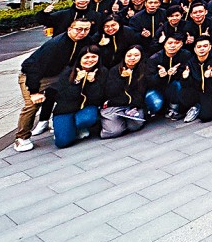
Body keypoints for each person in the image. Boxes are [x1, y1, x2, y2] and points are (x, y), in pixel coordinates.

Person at [15, 17, 92, 151]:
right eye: (79, 29)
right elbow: (34, 67)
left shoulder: (84, 41)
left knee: (74, 91)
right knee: (32, 105)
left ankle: (64, 124)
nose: (82, 32)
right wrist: (34, 91)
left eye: (86, 29)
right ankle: (21, 137)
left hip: (59, 74)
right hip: (34, 76)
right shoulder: (55, 45)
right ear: (70, 29)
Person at [52, 46, 105, 149]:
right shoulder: (68, 72)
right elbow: (64, 96)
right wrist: (76, 82)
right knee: (62, 142)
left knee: (86, 119)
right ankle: (68, 128)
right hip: (66, 109)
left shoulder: (102, 72)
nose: (90, 60)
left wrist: (92, 82)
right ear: (80, 58)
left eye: (94, 57)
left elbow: (97, 99)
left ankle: (80, 126)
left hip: (86, 108)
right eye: (86, 57)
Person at [100, 45, 148, 138]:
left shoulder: (143, 70)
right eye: (129, 55)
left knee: (135, 126)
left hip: (133, 106)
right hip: (115, 105)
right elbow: (110, 92)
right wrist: (122, 78)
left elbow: (142, 92)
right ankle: (116, 122)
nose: (132, 58)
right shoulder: (115, 70)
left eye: (136, 55)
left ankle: (123, 121)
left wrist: (135, 106)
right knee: (113, 131)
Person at [178, 36, 212, 122]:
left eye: (205, 46)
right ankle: (195, 106)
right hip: (197, 91)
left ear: (210, 47)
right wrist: (185, 78)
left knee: (205, 117)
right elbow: (186, 85)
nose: (202, 49)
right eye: (199, 47)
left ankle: (201, 106)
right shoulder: (190, 62)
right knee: (182, 93)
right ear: (195, 49)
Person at [146, 33, 190, 119]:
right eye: (170, 43)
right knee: (155, 104)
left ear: (181, 44)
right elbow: (149, 81)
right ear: (164, 44)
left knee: (177, 85)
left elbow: (186, 73)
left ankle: (173, 108)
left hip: (174, 87)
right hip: (158, 88)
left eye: (177, 43)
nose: (173, 46)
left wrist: (176, 73)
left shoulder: (185, 55)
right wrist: (160, 76)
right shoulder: (154, 59)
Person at [37, 0, 101, 37]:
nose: (82, 0)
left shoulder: (96, 16)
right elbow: (43, 21)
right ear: (74, 1)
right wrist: (44, 12)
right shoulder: (62, 14)